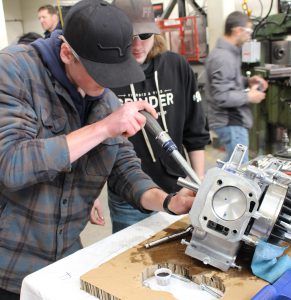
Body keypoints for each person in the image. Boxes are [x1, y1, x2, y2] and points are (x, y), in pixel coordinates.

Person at [0, 0, 195, 298]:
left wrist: (169, 203)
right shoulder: (14, 70)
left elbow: (125, 171)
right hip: (11, 261)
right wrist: (103, 128)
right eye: (101, 73)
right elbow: (12, 165)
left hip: (66, 257)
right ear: (67, 53)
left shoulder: (103, 97)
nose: (109, 85)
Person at [90, 0, 210, 233]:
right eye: (129, 37)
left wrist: (199, 179)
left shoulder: (176, 66)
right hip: (128, 196)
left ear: (155, 31)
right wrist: (91, 192)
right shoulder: (105, 77)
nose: (137, 45)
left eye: (144, 35)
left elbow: (195, 130)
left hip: (179, 188)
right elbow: (95, 141)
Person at [205, 11, 268, 163]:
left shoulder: (229, 53)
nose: (250, 35)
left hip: (233, 121)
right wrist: (249, 96)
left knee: (232, 167)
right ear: (237, 30)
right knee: (238, 171)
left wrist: (247, 81)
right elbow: (221, 96)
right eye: (248, 31)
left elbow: (228, 80)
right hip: (230, 122)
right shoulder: (223, 57)